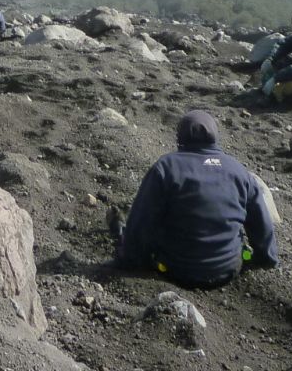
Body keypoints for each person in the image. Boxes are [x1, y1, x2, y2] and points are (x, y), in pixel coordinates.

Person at [117, 110, 278, 289]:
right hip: (228, 269)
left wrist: (129, 258)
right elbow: (262, 223)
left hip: (174, 269)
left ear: (180, 136)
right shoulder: (239, 171)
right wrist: (267, 257)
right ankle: (243, 255)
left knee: (146, 232)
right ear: (215, 136)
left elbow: (142, 220)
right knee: (241, 245)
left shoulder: (166, 167)